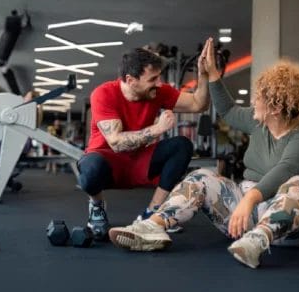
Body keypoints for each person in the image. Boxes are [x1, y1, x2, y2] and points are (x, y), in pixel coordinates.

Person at [108, 52, 299, 269]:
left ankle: (257, 242)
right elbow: (228, 110)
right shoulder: (259, 124)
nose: (252, 102)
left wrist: (248, 199)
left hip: (294, 230)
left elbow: (284, 170)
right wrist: (212, 73)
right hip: (247, 216)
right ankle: (153, 225)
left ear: (276, 108)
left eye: (258, 98)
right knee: (200, 177)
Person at [80, 40, 216, 235]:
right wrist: (157, 129)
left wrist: (203, 75)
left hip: (139, 160)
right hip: (107, 160)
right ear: (130, 80)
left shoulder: (158, 92)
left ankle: (153, 213)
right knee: (90, 169)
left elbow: (198, 104)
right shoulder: (103, 94)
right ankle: (97, 207)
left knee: (182, 145)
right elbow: (116, 143)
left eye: (159, 77)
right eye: (152, 79)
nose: (159, 83)